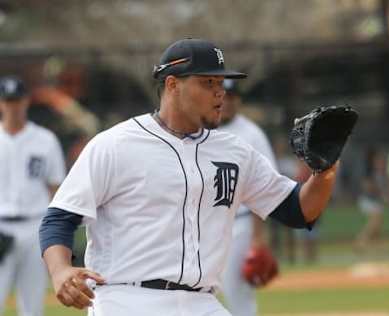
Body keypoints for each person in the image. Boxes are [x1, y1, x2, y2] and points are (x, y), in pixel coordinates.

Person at [39, 38, 339, 316]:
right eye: (207, 82)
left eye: (221, 82)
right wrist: (61, 271)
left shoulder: (234, 151)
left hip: (202, 301)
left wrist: (324, 171)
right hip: (128, 299)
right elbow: (59, 218)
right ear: (172, 84)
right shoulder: (116, 145)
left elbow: (299, 210)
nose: (219, 91)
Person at [0, 76, 65, 316]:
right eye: (8, 101)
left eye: (16, 100)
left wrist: (54, 230)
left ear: (26, 101)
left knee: (32, 304)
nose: (13, 106)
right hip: (1, 223)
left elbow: (56, 188)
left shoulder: (45, 140)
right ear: (1, 104)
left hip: (34, 227)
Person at [217, 79, 276, 316]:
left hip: (240, 224)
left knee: (236, 292)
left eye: (232, 96)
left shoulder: (252, 134)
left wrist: (258, 237)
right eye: (223, 96)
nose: (228, 101)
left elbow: (265, 187)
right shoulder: (202, 128)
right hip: (204, 225)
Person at [354, 147, 387, 252]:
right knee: (375, 220)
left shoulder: (383, 173)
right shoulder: (370, 173)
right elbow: (367, 187)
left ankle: (372, 245)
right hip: (367, 200)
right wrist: (380, 192)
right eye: (378, 161)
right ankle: (360, 241)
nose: (381, 163)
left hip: (377, 201)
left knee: (377, 225)